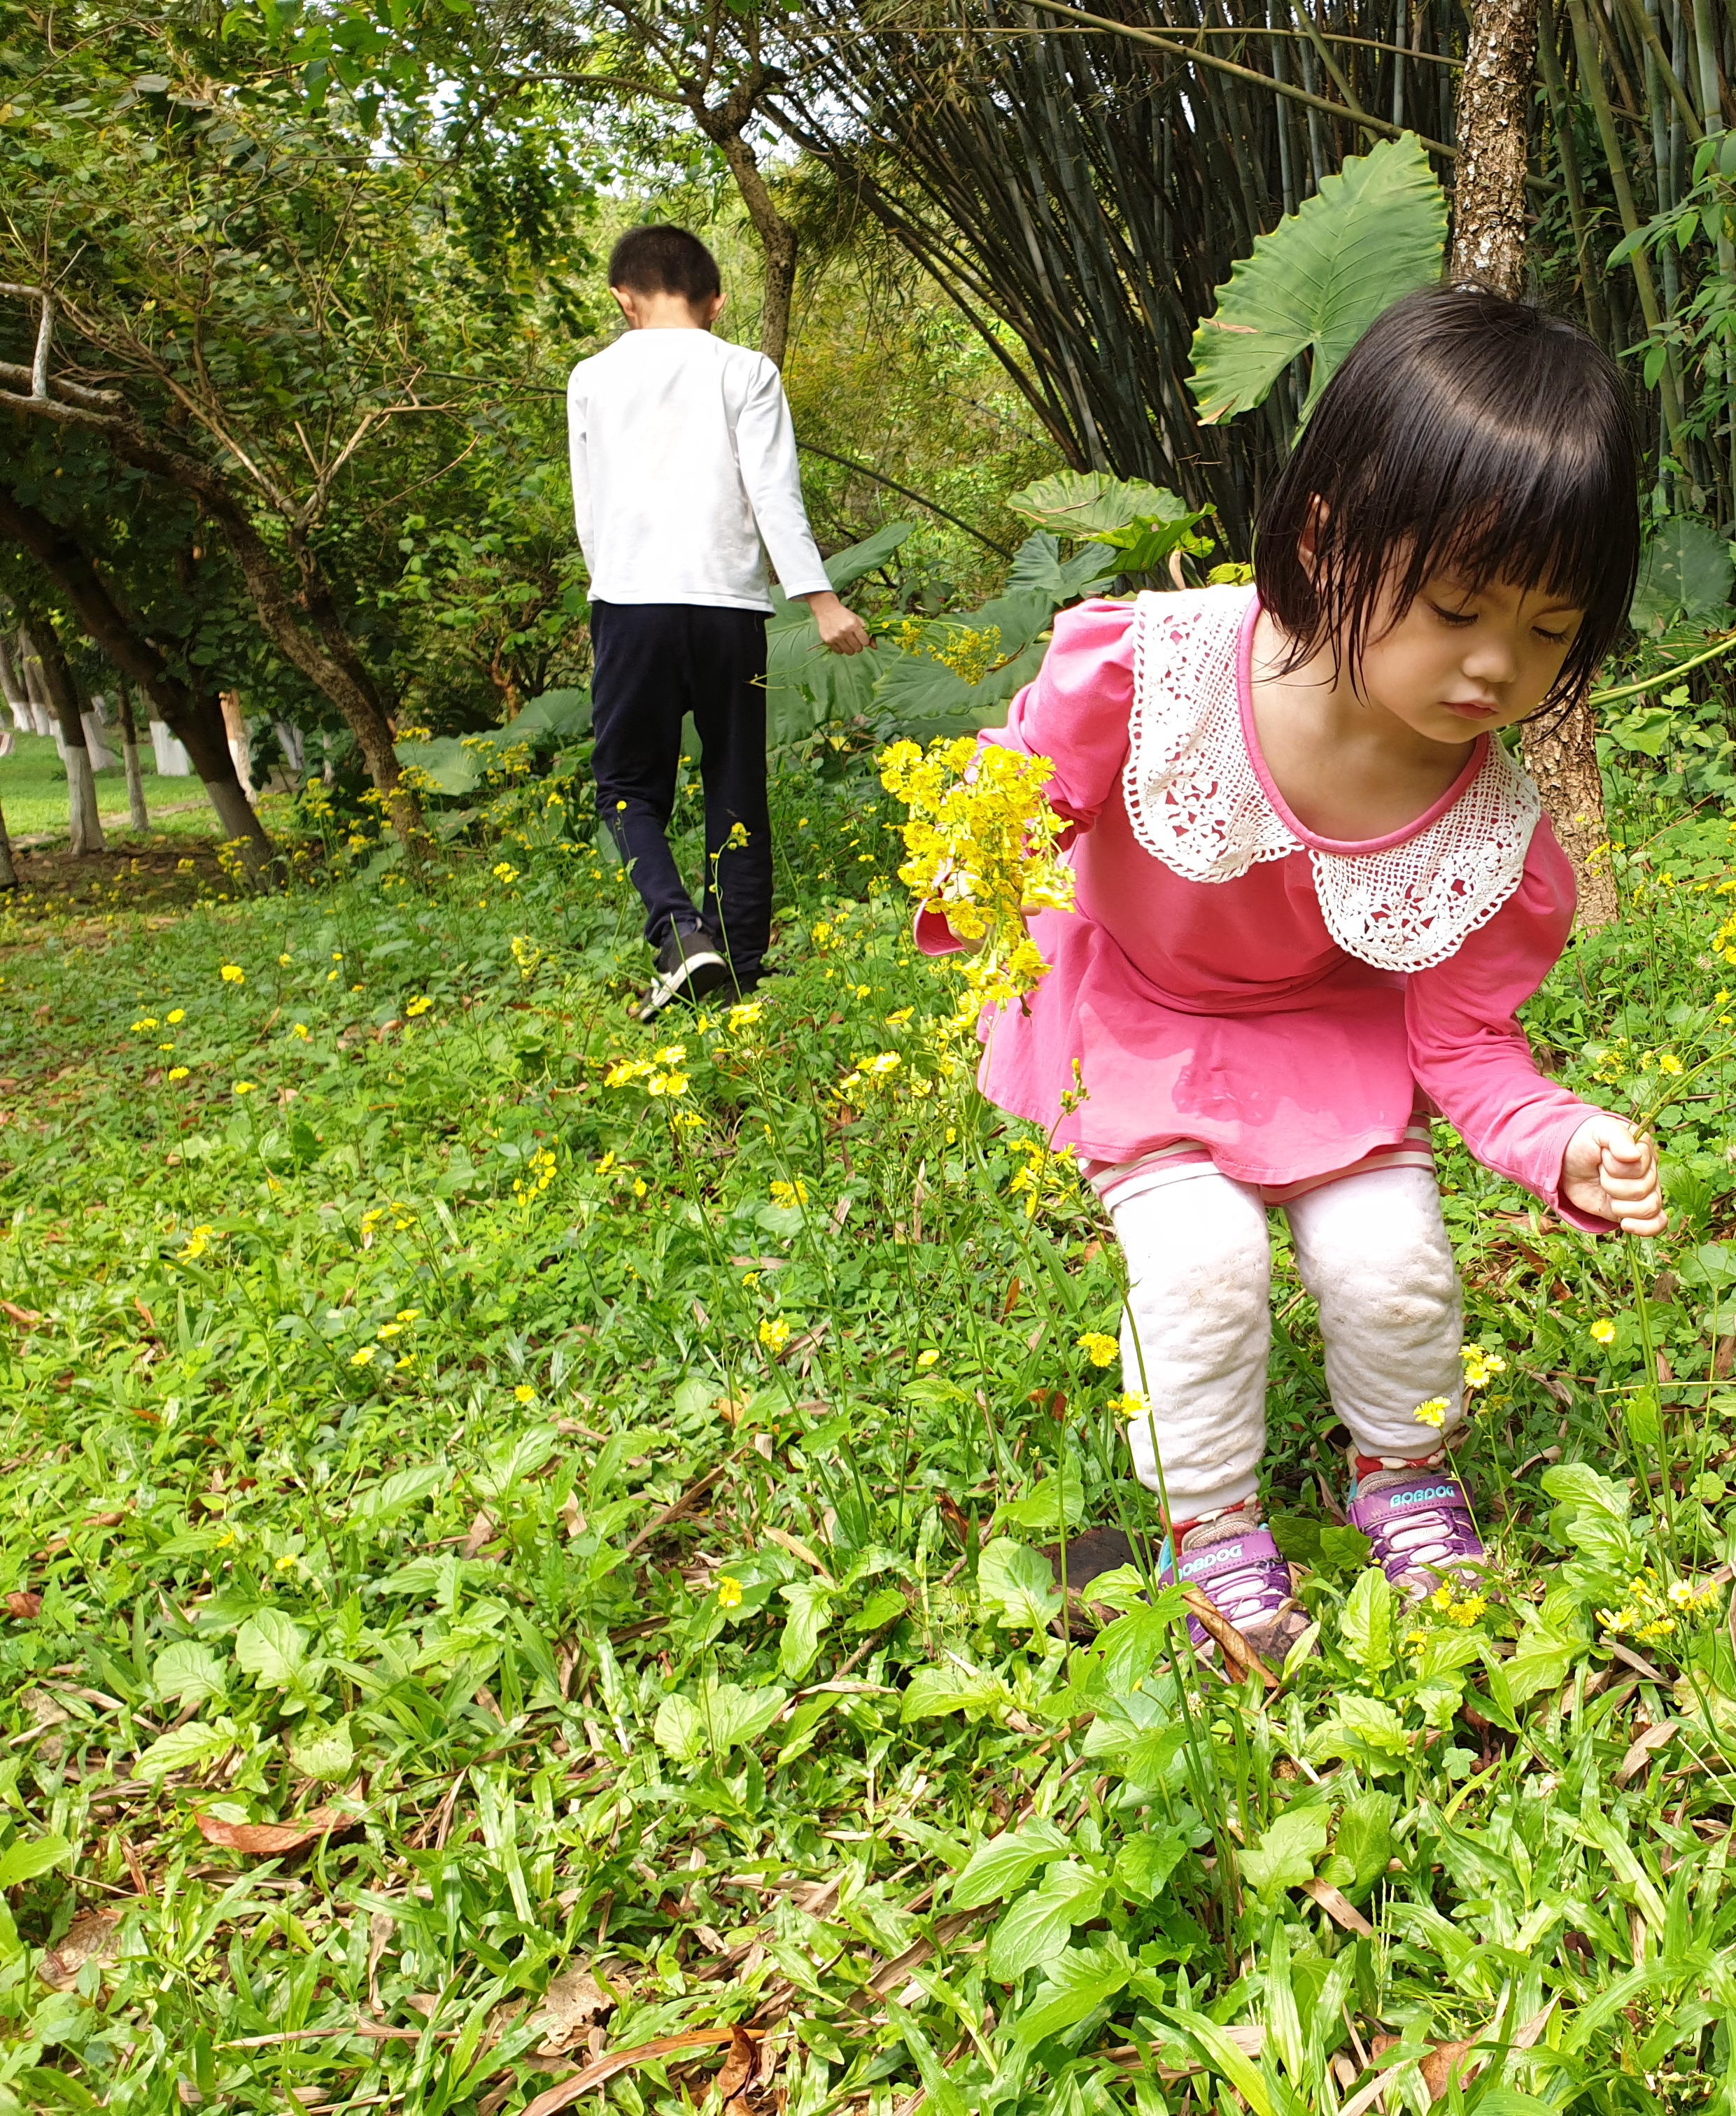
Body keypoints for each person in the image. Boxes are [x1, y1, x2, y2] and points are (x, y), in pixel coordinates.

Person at [917, 287, 1666, 1666]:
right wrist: (978, 870)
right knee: (1201, 1269)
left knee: (1394, 1267)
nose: (1494, 666)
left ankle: (1409, 1483)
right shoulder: (1157, 676)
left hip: (1333, 1058)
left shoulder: (1487, 833)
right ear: (1327, 540)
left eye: (1551, 631)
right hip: (1145, 1026)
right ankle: (1208, 1532)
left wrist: (1565, 1142)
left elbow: (1469, 1051)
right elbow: (1015, 806)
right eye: (1455, 607)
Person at [567, 224, 869, 1020]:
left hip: (631, 606)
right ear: (717, 302)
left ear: (622, 300)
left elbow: (588, 511)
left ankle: (677, 934)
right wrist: (820, 600)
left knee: (630, 786)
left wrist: (609, 596)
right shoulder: (747, 370)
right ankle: (738, 961)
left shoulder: (591, 378)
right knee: (736, 776)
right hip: (729, 611)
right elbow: (773, 492)